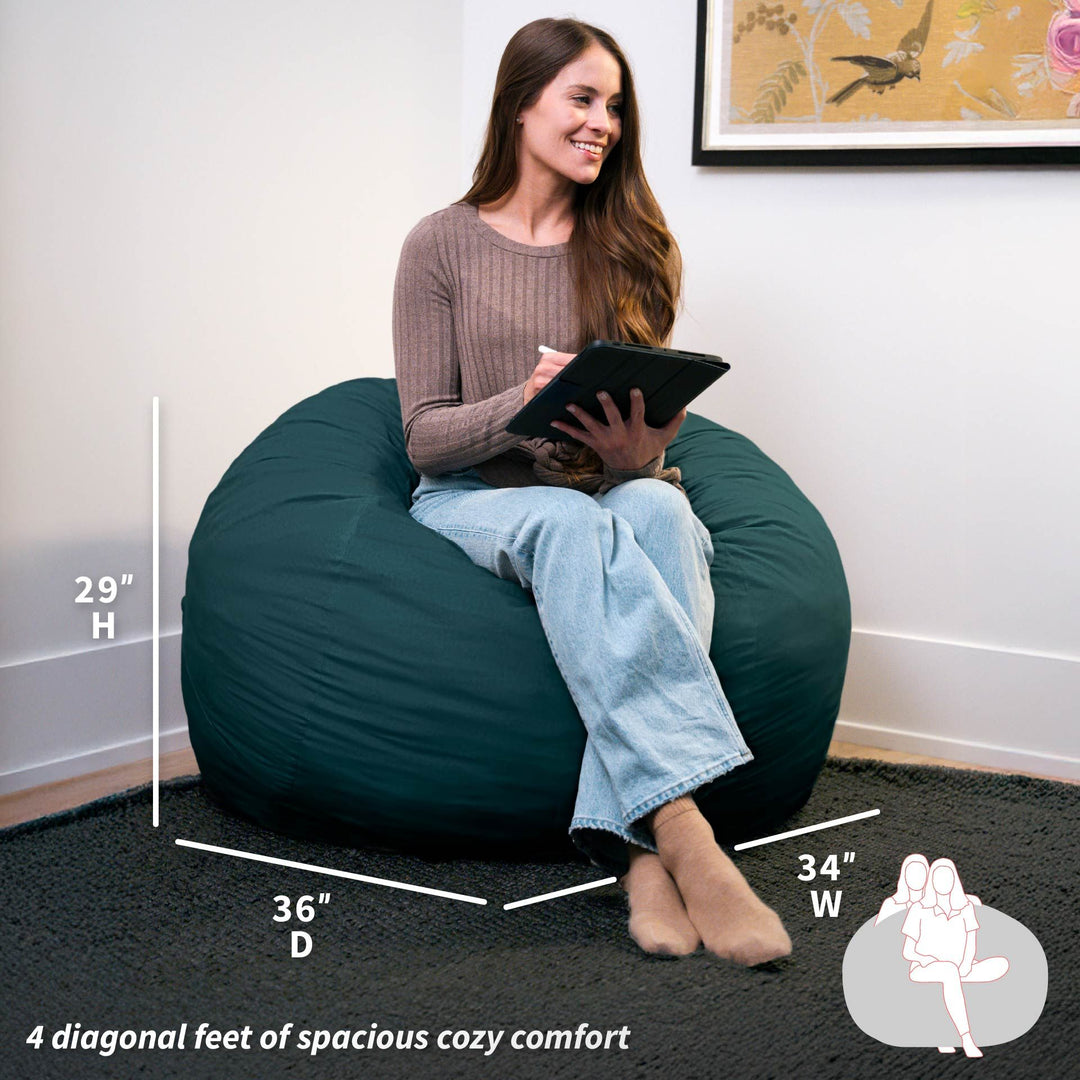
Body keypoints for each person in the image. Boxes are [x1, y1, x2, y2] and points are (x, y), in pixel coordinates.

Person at [392, 17, 790, 966]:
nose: (603, 122)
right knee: (570, 524)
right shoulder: (439, 244)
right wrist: (523, 402)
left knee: (664, 511)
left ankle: (637, 857)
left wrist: (639, 455)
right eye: (582, 98)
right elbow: (425, 436)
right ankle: (686, 834)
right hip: (471, 495)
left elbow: (641, 445)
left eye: (614, 105)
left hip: (602, 485)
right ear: (519, 104)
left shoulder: (630, 243)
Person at [902, 858, 1009, 1057]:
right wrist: (926, 959)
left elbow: (971, 942)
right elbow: (907, 951)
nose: (943, 883)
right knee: (948, 972)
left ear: (954, 880)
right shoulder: (919, 909)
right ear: (932, 881)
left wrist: (966, 963)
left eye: (947, 878)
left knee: (1000, 965)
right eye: (938, 878)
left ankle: (942, 1031)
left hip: (959, 966)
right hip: (925, 967)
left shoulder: (966, 907)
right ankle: (966, 1037)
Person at [875, 853, 930, 925]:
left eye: (920, 873)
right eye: (911, 874)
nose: (916, 878)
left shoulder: (935, 909)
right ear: (905, 876)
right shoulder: (891, 904)